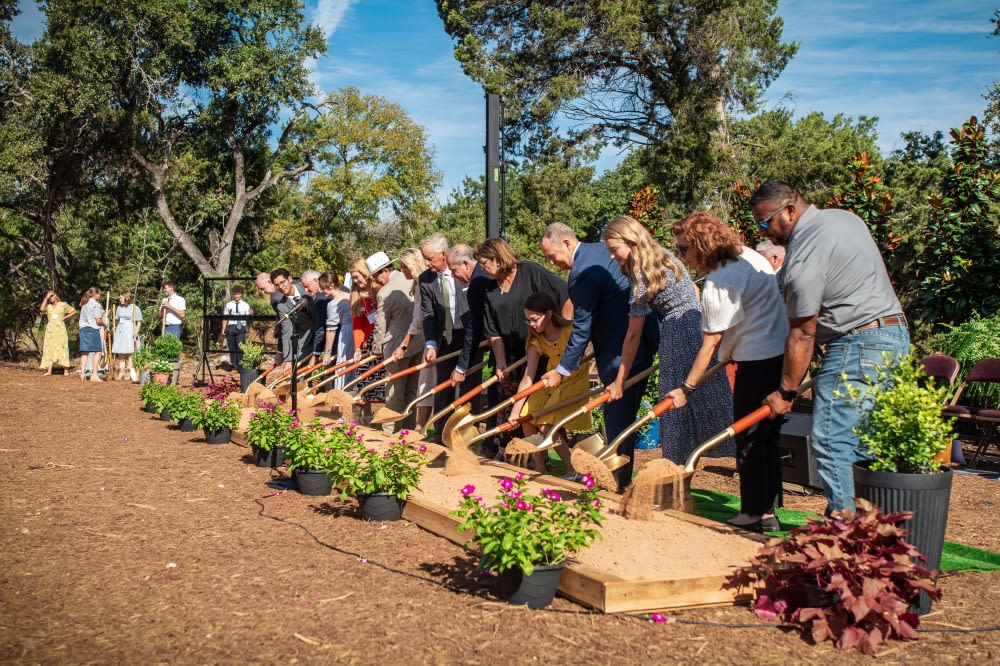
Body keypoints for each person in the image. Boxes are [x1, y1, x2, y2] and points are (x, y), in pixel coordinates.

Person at [750, 181, 910, 515]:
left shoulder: (805, 257)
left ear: (790, 210)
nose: (765, 230)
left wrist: (785, 393)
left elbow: (803, 334)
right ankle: (871, 530)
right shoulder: (843, 219)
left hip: (855, 343)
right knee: (868, 442)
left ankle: (844, 530)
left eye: (766, 223)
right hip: (894, 337)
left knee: (830, 439)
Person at [667, 212, 788, 532]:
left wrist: (686, 388)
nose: (683, 257)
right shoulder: (749, 257)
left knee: (747, 439)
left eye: (683, 249)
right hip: (781, 357)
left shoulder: (719, 281)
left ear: (701, 246)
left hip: (757, 360)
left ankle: (752, 514)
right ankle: (768, 511)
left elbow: (709, 345)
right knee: (767, 438)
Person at [602, 215, 733, 466]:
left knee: (674, 410)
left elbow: (633, 335)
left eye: (614, 249)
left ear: (631, 241)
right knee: (701, 400)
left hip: (677, 331)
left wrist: (619, 381)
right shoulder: (663, 255)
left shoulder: (641, 273)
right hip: (697, 322)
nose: (611, 256)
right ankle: (688, 471)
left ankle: (675, 479)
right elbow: (693, 291)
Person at [540, 222, 660, 488]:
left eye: (552, 256)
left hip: (621, 352)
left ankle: (616, 481)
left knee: (617, 415)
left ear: (567, 243)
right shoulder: (599, 250)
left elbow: (582, 328)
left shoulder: (582, 273)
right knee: (621, 415)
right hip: (640, 342)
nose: (552, 263)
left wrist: (562, 370)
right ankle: (619, 476)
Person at [508, 292, 590, 478]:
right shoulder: (536, 341)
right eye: (528, 320)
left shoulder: (571, 331)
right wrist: (514, 411)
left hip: (573, 379)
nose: (532, 324)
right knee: (525, 417)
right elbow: (528, 377)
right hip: (550, 381)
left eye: (535, 319)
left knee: (545, 424)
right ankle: (540, 466)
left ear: (549, 314)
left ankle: (572, 468)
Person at [474, 237, 571, 384]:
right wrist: (500, 360)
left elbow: (566, 294)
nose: (481, 269)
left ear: (497, 259)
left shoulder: (529, 271)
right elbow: (493, 332)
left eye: (483, 263)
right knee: (511, 404)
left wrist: (563, 336)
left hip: (541, 355)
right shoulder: (490, 289)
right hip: (511, 363)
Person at [420, 233, 478, 433]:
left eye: (430, 258)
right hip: (445, 338)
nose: (427, 264)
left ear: (443, 254)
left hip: (470, 336)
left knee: (470, 385)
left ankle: (469, 431)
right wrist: (430, 344)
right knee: (444, 385)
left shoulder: (464, 272)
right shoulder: (425, 280)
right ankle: (441, 433)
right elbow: (428, 314)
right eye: (424, 259)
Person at [366, 251, 424, 431]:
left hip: (396, 349)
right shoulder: (414, 279)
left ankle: (390, 432)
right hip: (419, 344)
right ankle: (408, 430)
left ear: (384, 271)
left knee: (394, 393)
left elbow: (380, 326)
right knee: (411, 391)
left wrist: (376, 348)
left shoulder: (385, 293)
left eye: (375, 277)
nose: (376, 281)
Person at [393, 248, 436, 432]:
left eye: (405, 266)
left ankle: (421, 427)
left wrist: (403, 345)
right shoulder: (419, 284)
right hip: (429, 338)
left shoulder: (423, 284)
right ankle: (421, 427)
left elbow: (418, 320)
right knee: (425, 382)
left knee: (427, 382)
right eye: (401, 266)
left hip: (435, 339)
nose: (403, 270)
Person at [270, 268, 314, 375]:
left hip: (325, 332)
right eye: (277, 285)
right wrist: (288, 360)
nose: (281, 287)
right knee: (301, 373)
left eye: (282, 282)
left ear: (289, 279)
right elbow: (286, 332)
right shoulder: (281, 306)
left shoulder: (307, 287)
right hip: (306, 338)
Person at [318, 271, 355, 389]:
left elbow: (331, 330)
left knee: (344, 362)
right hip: (357, 330)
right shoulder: (350, 295)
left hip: (347, 332)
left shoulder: (333, 303)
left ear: (331, 285)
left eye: (323, 288)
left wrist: (327, 353)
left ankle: (343, 390)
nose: (321, 291)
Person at [38, 290, 76, 376]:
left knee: (62, 347)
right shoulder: (48, 307)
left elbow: (73, 311)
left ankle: (65, 370)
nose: (50, 298)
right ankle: (49, 371)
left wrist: (65, 317)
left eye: (51, 296)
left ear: (55, 295)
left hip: (60, 329)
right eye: (49, 297)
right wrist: (46, 298)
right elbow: (41, 309)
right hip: (50, 330)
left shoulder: (63, 305)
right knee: (49, 348)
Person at [111, 291, 143, 381]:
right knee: (121, 352)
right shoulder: (119, 308)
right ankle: (121, 372)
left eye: (121, 297)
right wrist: (114, 327)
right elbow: (117, 320)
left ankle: (129, 372)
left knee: (130, 352)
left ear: (126, 298)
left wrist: (136, 331)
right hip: (121, 330)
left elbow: (139, 321)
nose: (119, 299)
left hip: (130, 329)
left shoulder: (135, 308)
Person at [77, 287, 106, 382]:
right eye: (99, 294)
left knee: (85, 352)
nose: (100, 296)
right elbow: (98, 321)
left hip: (83, 330)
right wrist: (105, 324)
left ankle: (82, 373)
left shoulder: (84, 305)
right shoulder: (96, 305)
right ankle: (94, 374)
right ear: (96, 294)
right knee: (98, 351)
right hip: (93, 330)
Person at [220, 286, 252, 369]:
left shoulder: (245, 305)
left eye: (238, 294)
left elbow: (249, 316)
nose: (236, 296)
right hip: (231, 327)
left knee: (241, 346)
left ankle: (241, 365)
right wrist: (223, 330)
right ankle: (234, 365)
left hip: (241, 327)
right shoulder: (229, 305)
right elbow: (225, 318)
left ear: (241, 294)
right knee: (232, 347)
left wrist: (251, 313)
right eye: (235, 294)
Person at [300, 269, 326, 364]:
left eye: (306, 286)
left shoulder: (321, 298)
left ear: (316, 281)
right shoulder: (316, 297)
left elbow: (321, 326)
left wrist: (316, 353)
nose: (306, 290)